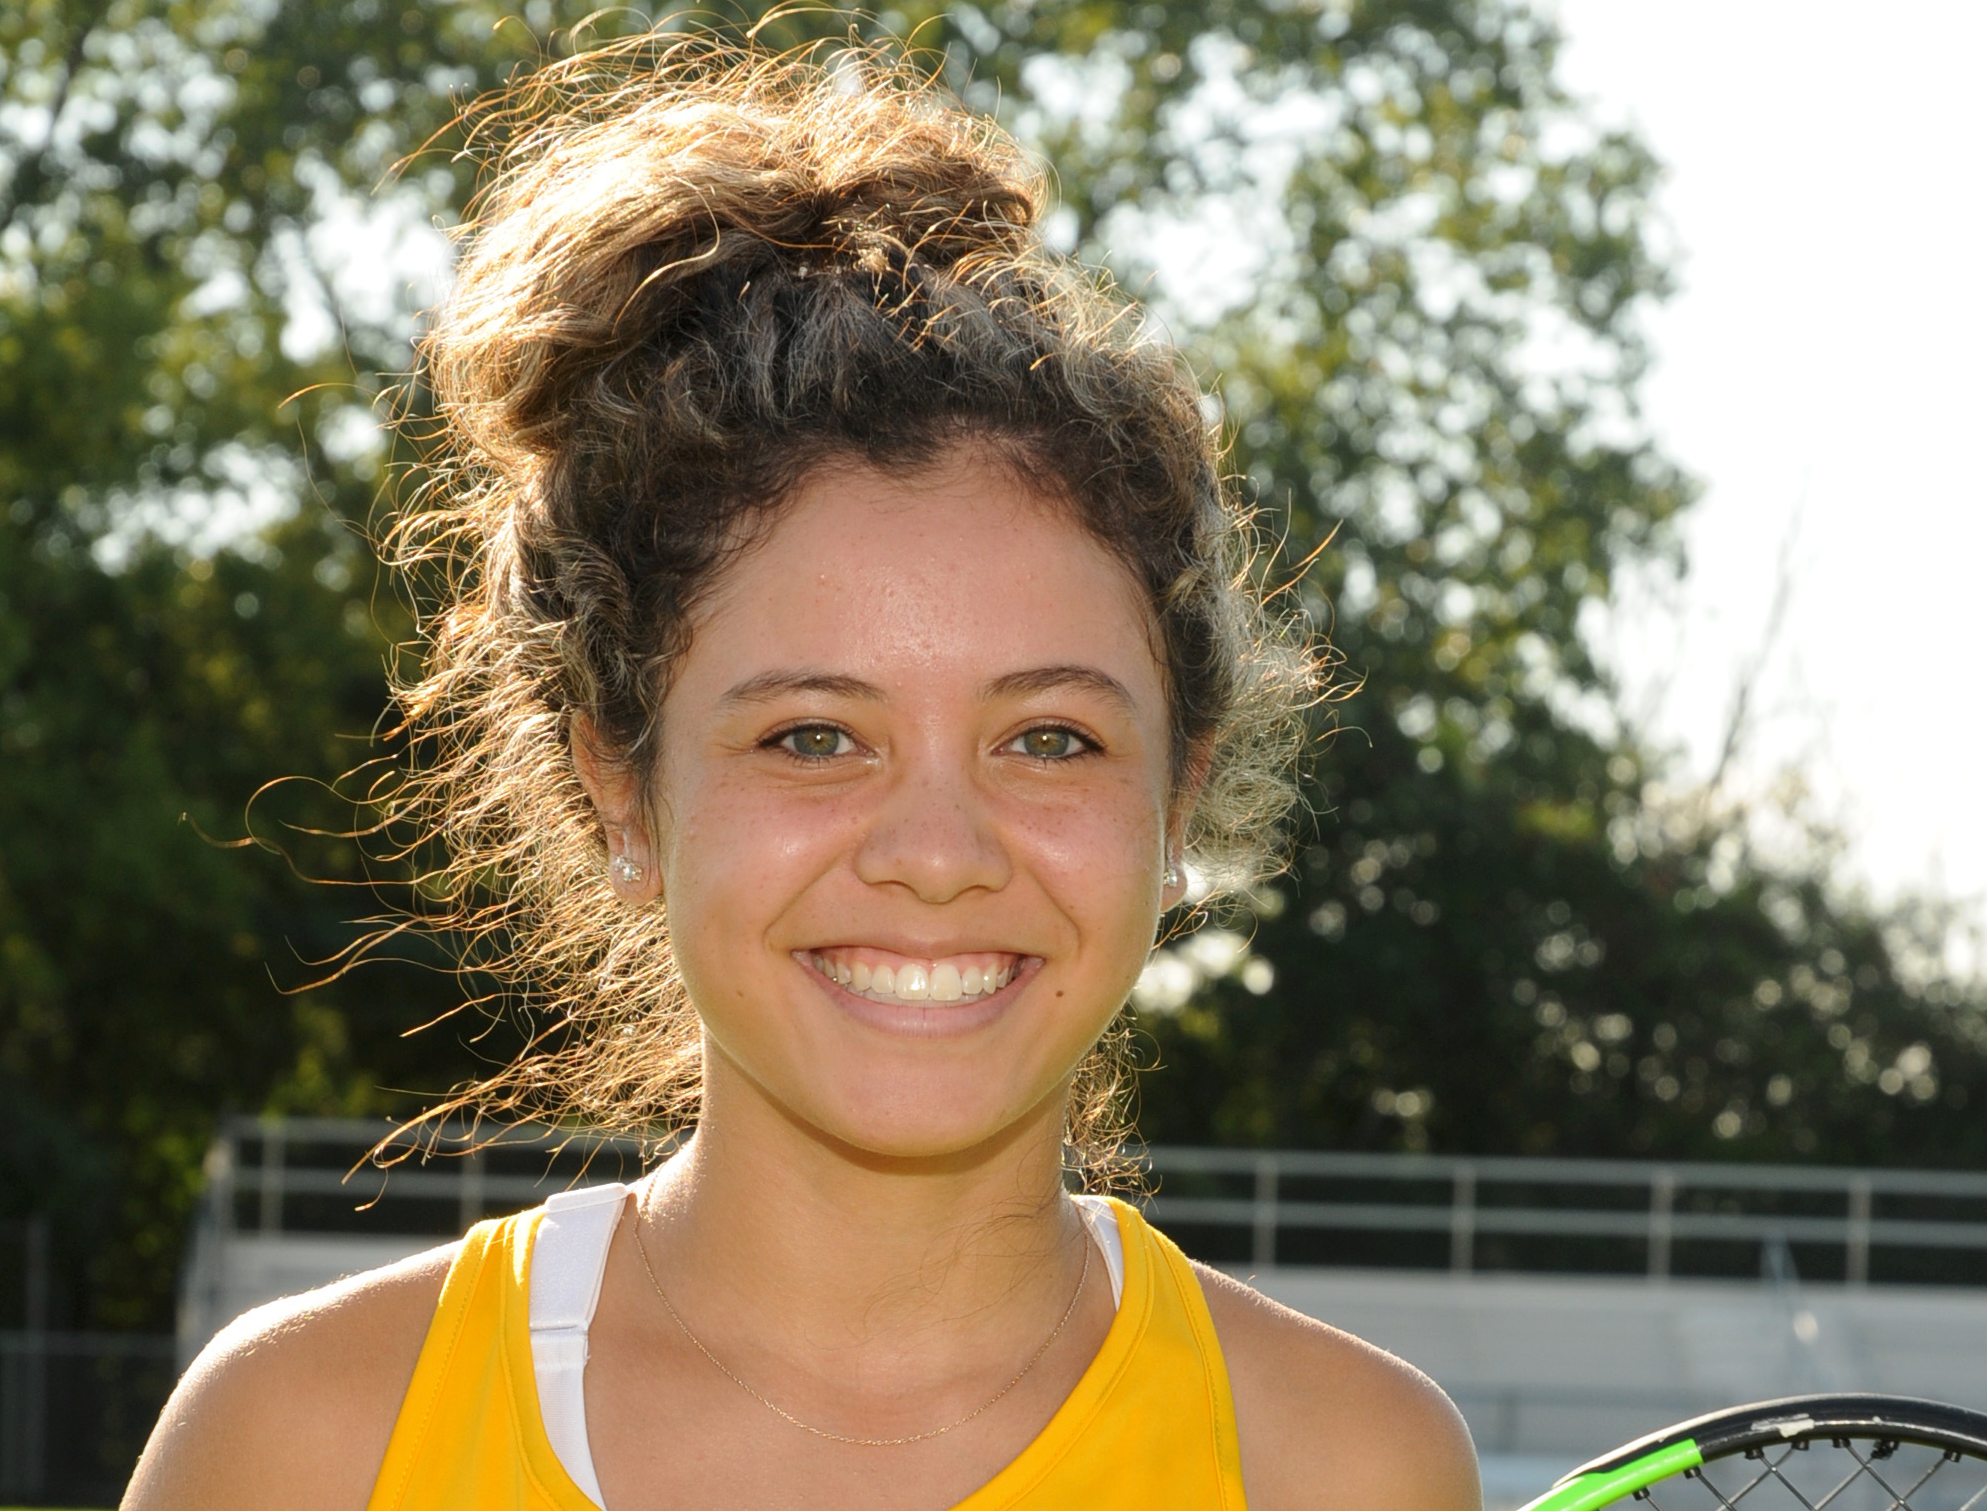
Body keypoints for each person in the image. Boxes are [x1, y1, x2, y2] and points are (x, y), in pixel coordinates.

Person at [124, 35, 1480, 1511]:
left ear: (1177, 799)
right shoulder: (308, 1441)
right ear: (621, 785)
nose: (937, 851)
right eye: (813, 737)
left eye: (1049, 739)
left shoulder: (1340, 1466)